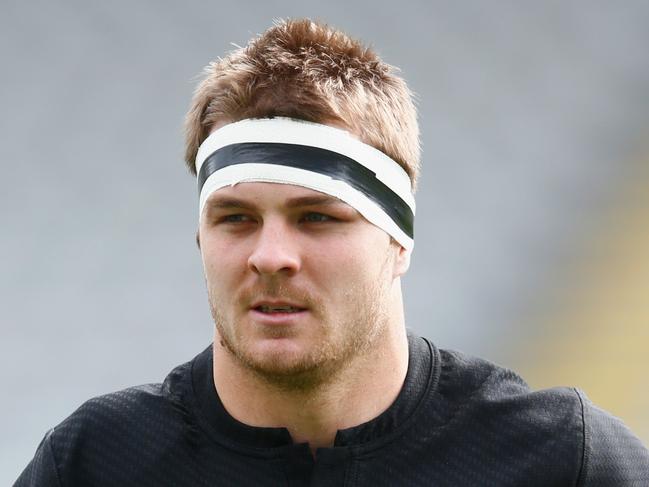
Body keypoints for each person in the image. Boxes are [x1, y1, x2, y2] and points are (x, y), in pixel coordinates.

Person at [15, 18, 649, 487]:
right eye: (236, 218)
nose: (270, 255)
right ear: (201, 238)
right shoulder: (94, 462)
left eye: (317, 217)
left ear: (399, 240)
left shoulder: (563, 460)